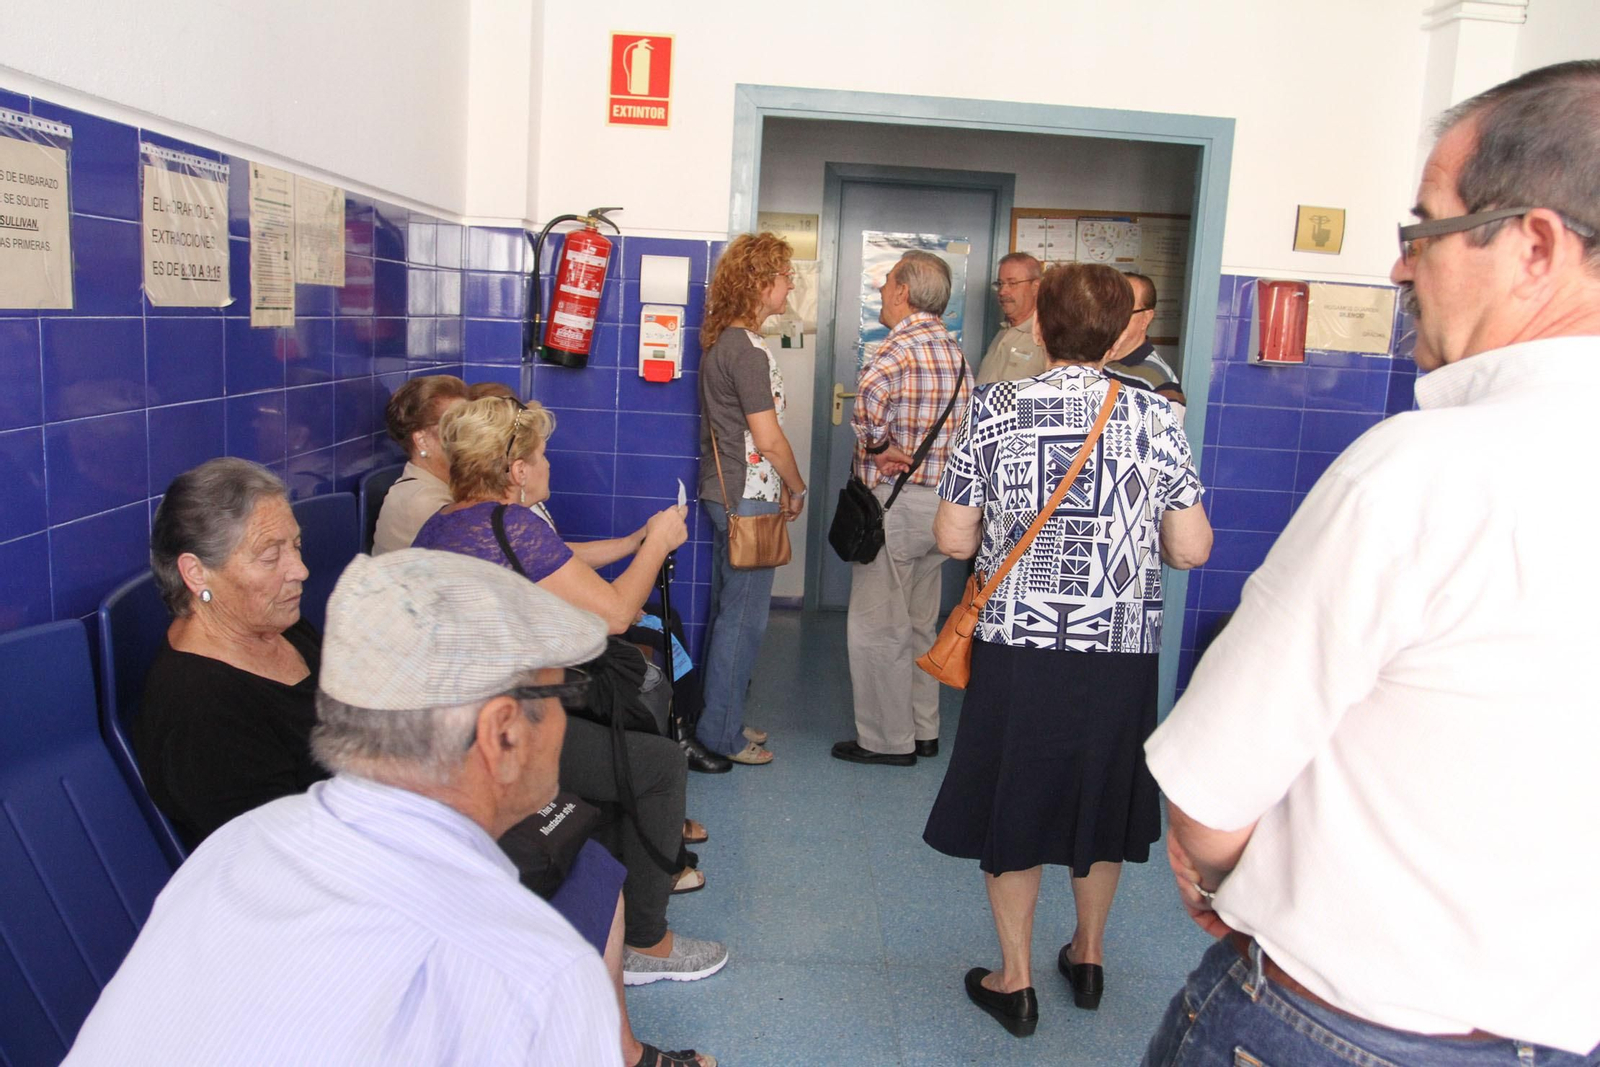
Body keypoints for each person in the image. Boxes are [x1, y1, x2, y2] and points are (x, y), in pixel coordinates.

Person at [1141, 61, 1600, 1067]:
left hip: (1344, 1027)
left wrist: (1215, 873)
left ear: (1533, 247)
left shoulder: (1424, 470)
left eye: (1422, 230)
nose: (1399, 268)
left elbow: (1210, 796)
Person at [136, 458, 707, 1067]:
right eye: (270, 554)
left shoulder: (277, 632)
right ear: (197, 571)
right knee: (563, 849)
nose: (300, 570)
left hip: (390, 830)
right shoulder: (197, 706)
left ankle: (614, 1049)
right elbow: (279, 864)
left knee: (578, 846)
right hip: (349, 899)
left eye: (296, 547)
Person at [70, 550, 630, 1064]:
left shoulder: (232, 848)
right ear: (502, 733)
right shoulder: (538, 974)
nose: (564, 720)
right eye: (562, 696)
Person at [923, 262, 1211, 1036]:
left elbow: (952, 534)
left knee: (1016, 794)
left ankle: (1014, 979)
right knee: (1102, 796)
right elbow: (1191, 548)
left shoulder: (996, 408)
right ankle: (1087, 954)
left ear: (1041, 327)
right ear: (1121, 332)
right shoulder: (1156, 417)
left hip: (1018, 642)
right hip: (1120, 646)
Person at [415, 396, 729, 988]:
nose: (548, 465)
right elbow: (613, 613)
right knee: (658, 763)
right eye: (541, 455)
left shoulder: (452, 520)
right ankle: (646, 943)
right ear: (516, 472)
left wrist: (634, 541)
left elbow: (554, 561)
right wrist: (659, 545)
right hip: (490, 742)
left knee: (619, 727)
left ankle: (618, 885)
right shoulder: (510, 525)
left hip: (456, 722)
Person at [832, 250, 971, 766]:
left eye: (888, 282)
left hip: (895, 507)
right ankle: (923, 728)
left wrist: (874, 446)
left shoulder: (897, 349)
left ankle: (886, 742)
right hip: (942, 508)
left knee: (876, 626)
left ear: (904, 292)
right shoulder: (954, 353)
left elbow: (867, 396)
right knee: (918, 621)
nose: (882, 291)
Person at [695, 232, 806, 765]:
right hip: (750, 496)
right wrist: (797, 484)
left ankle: (725, 719)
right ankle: (722, 736)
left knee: (732, 612)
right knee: (744, 620)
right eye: (785, 275)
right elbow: (767, 438)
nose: (790, 285)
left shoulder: (727, 344)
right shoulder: (746, 351)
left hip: (731, 494)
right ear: (761, 284)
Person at [372, 373, 470, 553]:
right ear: (422, 441)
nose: (471, 435)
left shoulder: (445, 486)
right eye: (456, 427)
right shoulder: (421, 502)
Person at [1103, 272, 1187, 410]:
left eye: (1123, 311)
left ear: (1146, 318)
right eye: (1106, 308)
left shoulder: (1161, 386)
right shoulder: (1090, 360)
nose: (1111, 318)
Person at [975, 252, 1046, 384]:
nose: (1002, 291)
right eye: (1000, 284)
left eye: (1012, 283)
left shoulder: (1046, 338)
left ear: (1035, 287)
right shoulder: (1003, 332)